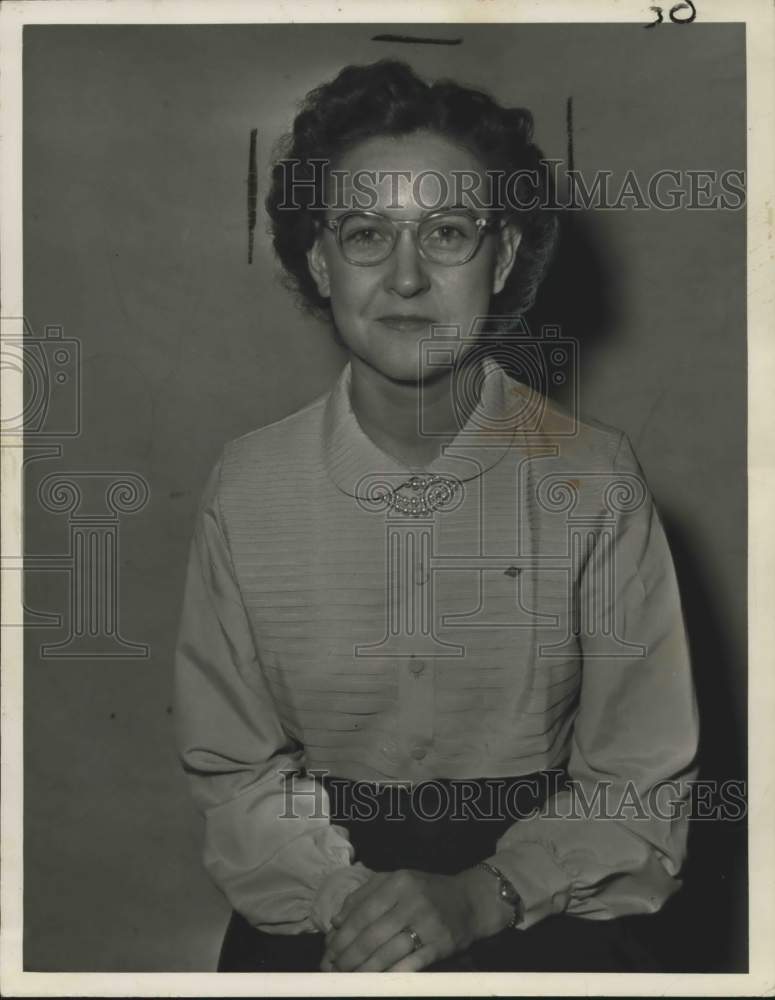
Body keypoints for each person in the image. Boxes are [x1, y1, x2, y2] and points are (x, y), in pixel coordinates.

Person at [173, 59, 699, 973]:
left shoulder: (598, 480)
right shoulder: (246, 485)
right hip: (318, 912)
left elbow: (636, 783)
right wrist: (348, 901)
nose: (407, 278)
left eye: (447, 231)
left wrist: (483, 896)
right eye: (366, 234)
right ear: (318, 259)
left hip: (546, 912)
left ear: (499, 258)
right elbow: (234, 773)